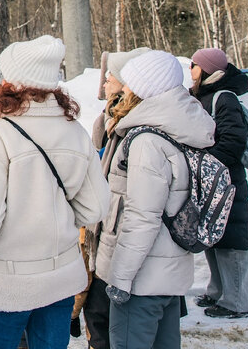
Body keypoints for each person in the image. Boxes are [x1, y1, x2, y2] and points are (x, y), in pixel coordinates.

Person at [0, 36, 110, 349]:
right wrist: (60, 218)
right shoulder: (74, 131)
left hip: (6, 282)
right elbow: (95, 206)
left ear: (13, 80)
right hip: (59, 278)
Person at [93, 50, 216, 349]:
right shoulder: (178, 126)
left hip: (140, 279)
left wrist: (120, 279)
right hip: (166, 273)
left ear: (145, 88)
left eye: (130, 83)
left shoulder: (148, 140)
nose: (123, 88)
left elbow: (142, 216)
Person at [84, 48, 149, 349]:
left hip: (117, 233)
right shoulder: (112, 118)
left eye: (111, 75)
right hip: (108, 228)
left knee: (102, 314)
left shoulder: (131, 126)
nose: (106, 80)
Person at [189, 47, 248, 319]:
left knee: (232, 239)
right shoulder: (204, 94)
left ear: (207, 70)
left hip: (227, 180)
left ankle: (237, 302)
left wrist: (207, 162)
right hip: (212, 178)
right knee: (214, 236)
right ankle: (217, 291)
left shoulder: (224, 97)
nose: (190, 70)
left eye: (194, 65)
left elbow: (233, 142)